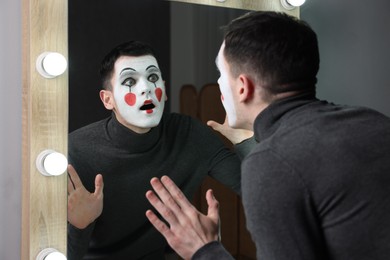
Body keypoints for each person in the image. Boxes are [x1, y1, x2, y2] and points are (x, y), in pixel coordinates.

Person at [145, 11, 390, 260]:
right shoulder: (374, 122)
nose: (218, 83)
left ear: (243, 87)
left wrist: (205, 250)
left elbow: (287, 168)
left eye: (221, 73)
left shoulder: (271, 164)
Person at [66, 40, 254, 260]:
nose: (146, 88)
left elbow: (260, 189)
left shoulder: (190, 135)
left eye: (152, 78)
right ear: (108, 100)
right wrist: (80, 225)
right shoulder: (75, 151)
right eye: (129, 81)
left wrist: (245, 141)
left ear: (163, 91)